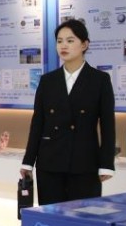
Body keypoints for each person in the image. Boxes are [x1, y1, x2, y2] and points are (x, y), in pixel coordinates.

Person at [20, 19, 116, 204]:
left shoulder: (100, 80)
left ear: (84, 45)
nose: (63, 46)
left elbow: (107, 125)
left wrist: (106, 164)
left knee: (83, 215)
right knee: (51, 215)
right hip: (50, 163)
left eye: (70, 41)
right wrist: (28, 161)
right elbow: (38, 123)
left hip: (85, 162)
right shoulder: (47, 81)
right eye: (59, 41)